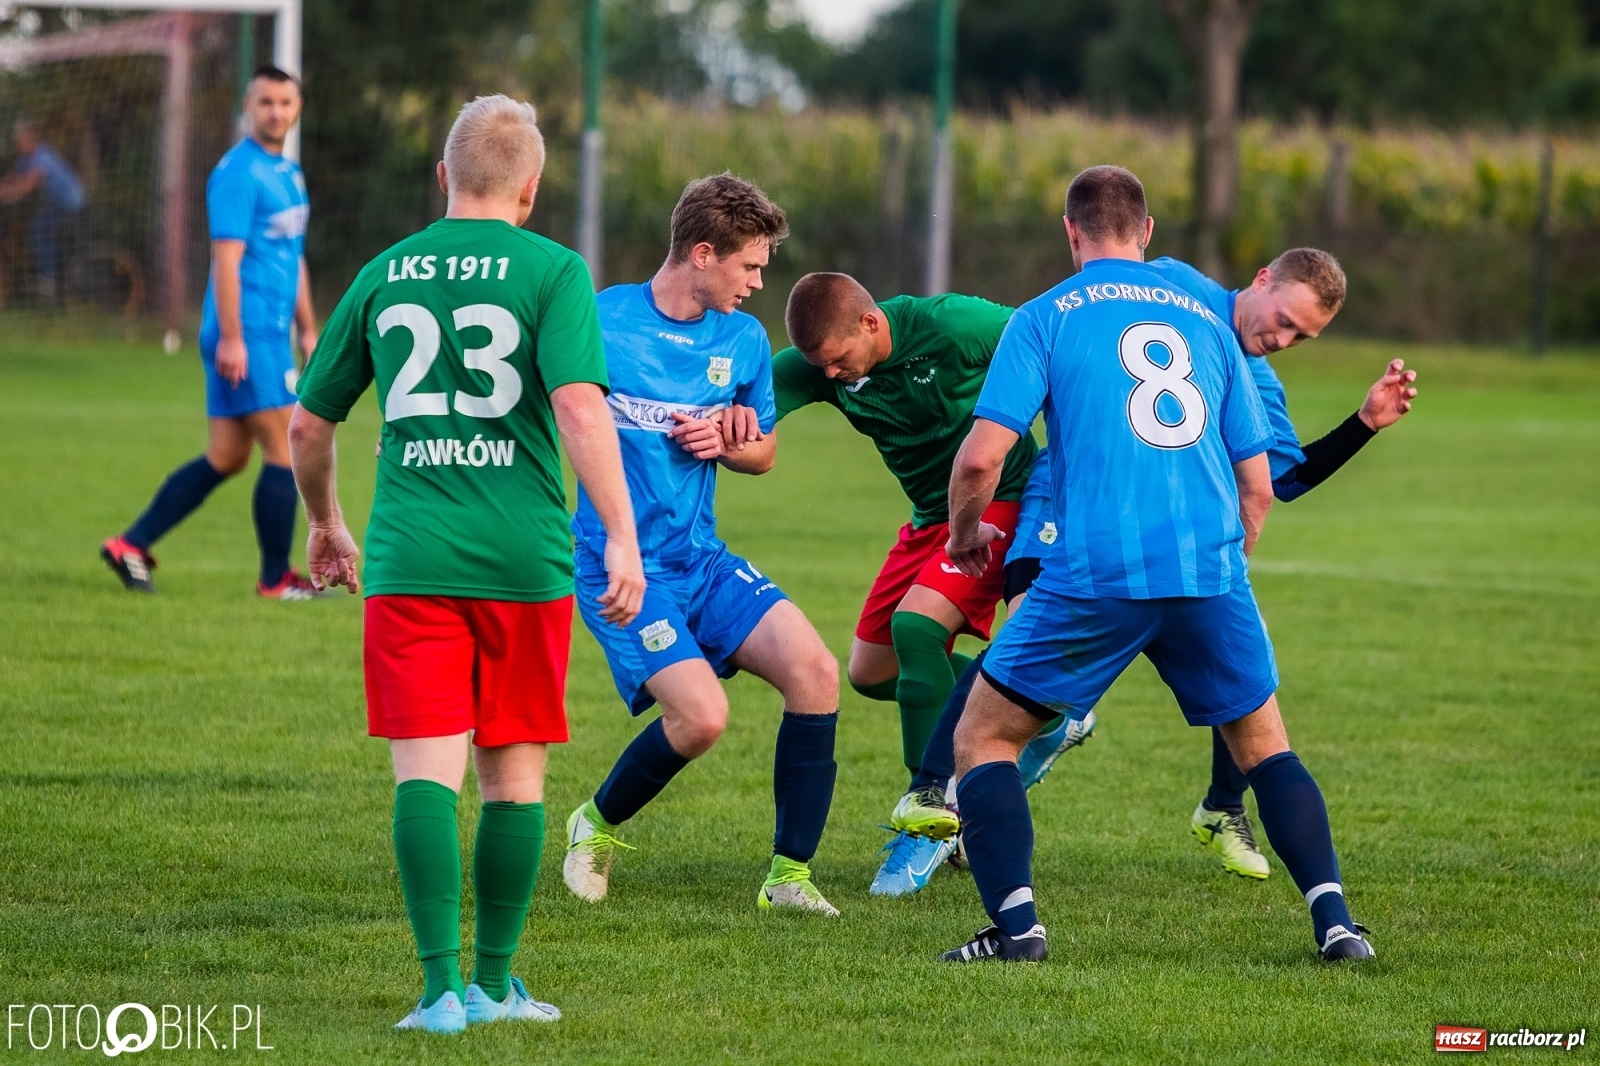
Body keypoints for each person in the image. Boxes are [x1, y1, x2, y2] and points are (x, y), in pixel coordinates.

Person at [937, 164, 1373, 964]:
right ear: (1146, 233)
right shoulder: (1209, 324)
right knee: (1266, 745)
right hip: (1209, 571)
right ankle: (1338, 924)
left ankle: (1018, 931)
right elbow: (1258, 481)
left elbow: (980, 461)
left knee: (984, 740)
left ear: (1072, 232)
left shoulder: (1044, 317)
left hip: (1094, 571)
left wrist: (966, 534)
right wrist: (1227, 563)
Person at [288, 94, 646, 1034]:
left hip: (409, 560)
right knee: (514, 781)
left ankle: (439, 990)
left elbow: (308, 423)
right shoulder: (554, 271)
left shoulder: (383, 272)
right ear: (530, 190)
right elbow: (577, 408)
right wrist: (620, 530)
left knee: (424, 778)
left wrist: (325, 522)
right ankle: (494, 982)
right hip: (522, 563)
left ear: (444, 177)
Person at [900, 248, 1419, 888]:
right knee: (1021, 654)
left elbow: (1282, 479)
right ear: (1261, 280)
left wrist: (1364, 423)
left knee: (1234, 673)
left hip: (1174, 542)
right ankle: (936, 796)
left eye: (1300, 337)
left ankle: (1217, 805)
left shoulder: (1255, 376)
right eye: (1283, 319)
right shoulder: (1174, 284)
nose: (1282, 340)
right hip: (1067, 509)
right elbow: (1081, 301)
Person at [561, 174, 844, 915]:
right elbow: (560, 417)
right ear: (702, 252)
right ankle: (591, 826)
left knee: (816, 672)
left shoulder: (744, 341)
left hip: (703, 559)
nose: (757, 283)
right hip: (621, 565)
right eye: (749, 267)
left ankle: (789, 878)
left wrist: (726, 441)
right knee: (702, 716)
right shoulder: (600, 319)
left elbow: (765, 451)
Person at [772, 274, 1038, 895]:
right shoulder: (820, 363)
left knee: (917, 627)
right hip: (929, 519)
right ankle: (1026, 695)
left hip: (1001, 501)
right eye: (821, 366)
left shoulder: (955, 325)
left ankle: (932, 800)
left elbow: (1045, 341)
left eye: (838, 360)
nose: (832, 376)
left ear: (870, 324)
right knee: (870, 671)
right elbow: (750, 396)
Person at [100, 66, 320, 598]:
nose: (276, 111)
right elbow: (227, 260)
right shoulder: (238, 173)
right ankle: (276, 579)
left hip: (271, 332)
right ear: (248, 106)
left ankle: (130, 544)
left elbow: (293, 256)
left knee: (227, 456)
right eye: (265, 101)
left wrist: (309, 328)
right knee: (287, 446)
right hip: (247, 335)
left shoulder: (288, 173)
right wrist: (232, 337)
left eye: (285, 102)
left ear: (298, 109)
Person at [0, 119, 85, 305]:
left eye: (20, 139)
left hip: (69, 201)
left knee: (38, 231)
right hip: (55, 202)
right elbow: (13, 178)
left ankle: (48, 281)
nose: (17, 142)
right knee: (39, 229)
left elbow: (27, 186)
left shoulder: (43, 156)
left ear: (31, 138)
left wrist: (6, 195)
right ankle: (62, 271)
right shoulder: (25, 158)